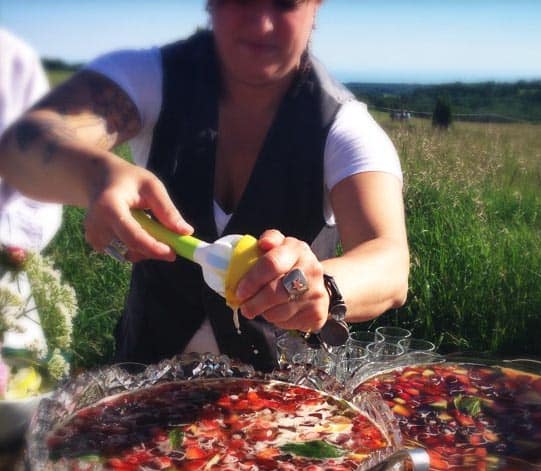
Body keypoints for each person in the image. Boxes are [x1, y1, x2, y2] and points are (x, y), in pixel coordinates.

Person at [0, 0, 408, 371]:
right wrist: (96, 177)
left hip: (278, 402)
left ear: (316, 7)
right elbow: (25, 143)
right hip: (142, 382)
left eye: (285, 3)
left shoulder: (343, 126)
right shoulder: (151, 77)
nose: (261, 23)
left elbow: (389, 262)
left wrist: (322, 284)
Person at [0, 28, 63, 352]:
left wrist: (11, 241)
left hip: (4, 281)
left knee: (18, 396)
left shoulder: (11, 60)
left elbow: (38, 197)